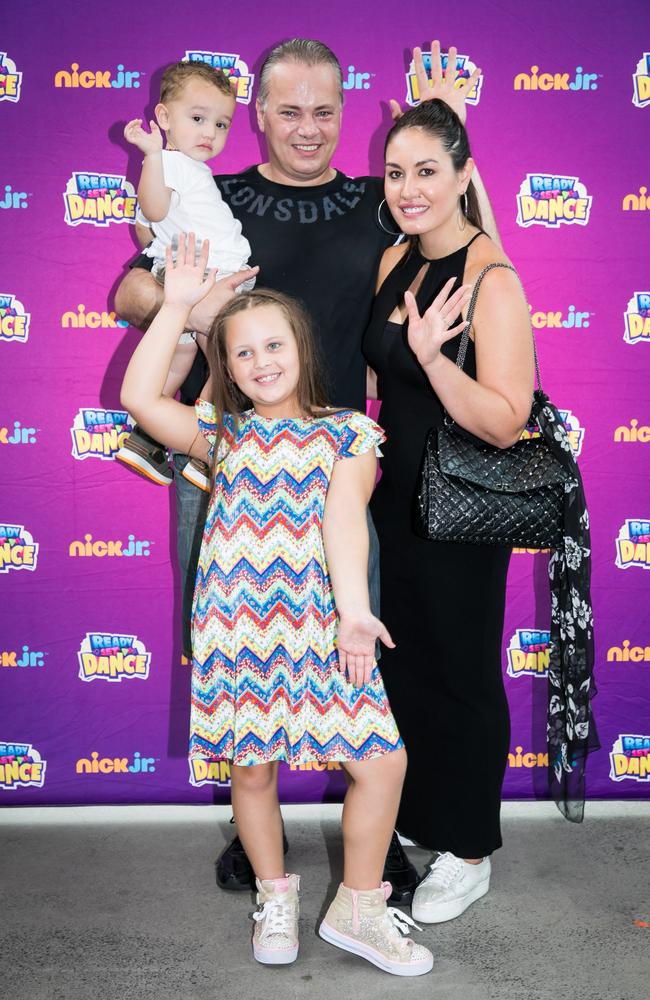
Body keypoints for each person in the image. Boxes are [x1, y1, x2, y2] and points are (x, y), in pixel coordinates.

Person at [114, 38, 495, 901]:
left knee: (349, 642)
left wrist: (454, 133)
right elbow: (131, 293)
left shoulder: (375, 203)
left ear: (345, 112)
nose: (309, 128)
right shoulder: (214, 192)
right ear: (258, 116)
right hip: (222, 458)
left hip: (335, 467)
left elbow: (468, 242)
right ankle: (264, 847)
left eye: (326, 110)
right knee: (236, 647)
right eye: (288, 110)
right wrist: (193, 302)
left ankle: (382, 839)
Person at [120, 232, 439, 976]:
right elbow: (138, 398)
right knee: (253, 770)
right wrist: (176, 307)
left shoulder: (347, 432)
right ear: (225, 366)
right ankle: (275, 894)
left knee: (381, 763)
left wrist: (354, 611)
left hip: (327, 624)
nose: (262, 363)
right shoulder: (219, 436)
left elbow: (343, 521)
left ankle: (359, 907)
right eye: (243, 352)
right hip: (237, 628)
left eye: (274, 346)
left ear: (301, 350)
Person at [363, 98, 534, 925]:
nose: (408, 188)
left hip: (465, 508)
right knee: (406, 670)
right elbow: (378, 377)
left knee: (461, 674)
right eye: (397, 172)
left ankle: (468, 852)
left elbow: (506, 417)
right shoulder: (395, 256)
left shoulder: (491, 278)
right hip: (391, 502)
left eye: (428, 170)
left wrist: (433, 359)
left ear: (466, 175)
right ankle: (421, 827)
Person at [115, 60, 256, 489]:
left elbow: (151, 223)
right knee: (229, 357)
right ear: (163, 118)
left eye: (221, 123)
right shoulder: (168, 163)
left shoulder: (182, 169)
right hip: (212, 277)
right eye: (197, 119)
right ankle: (206, 449)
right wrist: (153, 155)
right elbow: (155, 211)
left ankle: (146, 437)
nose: (210, 133)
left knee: (180, 353)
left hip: (193, 275)